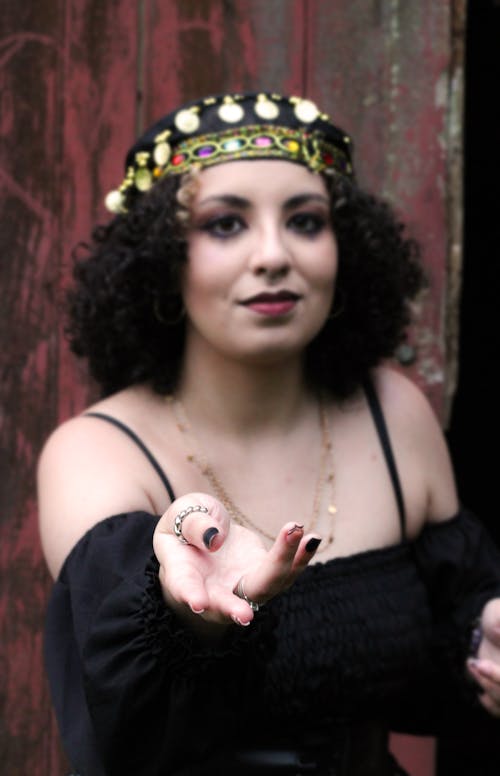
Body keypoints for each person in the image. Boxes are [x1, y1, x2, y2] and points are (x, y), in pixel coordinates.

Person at [38, 91, 500, 776]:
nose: (274, 255)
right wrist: (189, 611)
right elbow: (130, 720)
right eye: (226, 225)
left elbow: (438, 648)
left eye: (306, 221)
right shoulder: (96, 452)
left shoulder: (394, 413)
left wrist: (483, 639)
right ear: (162, 258)